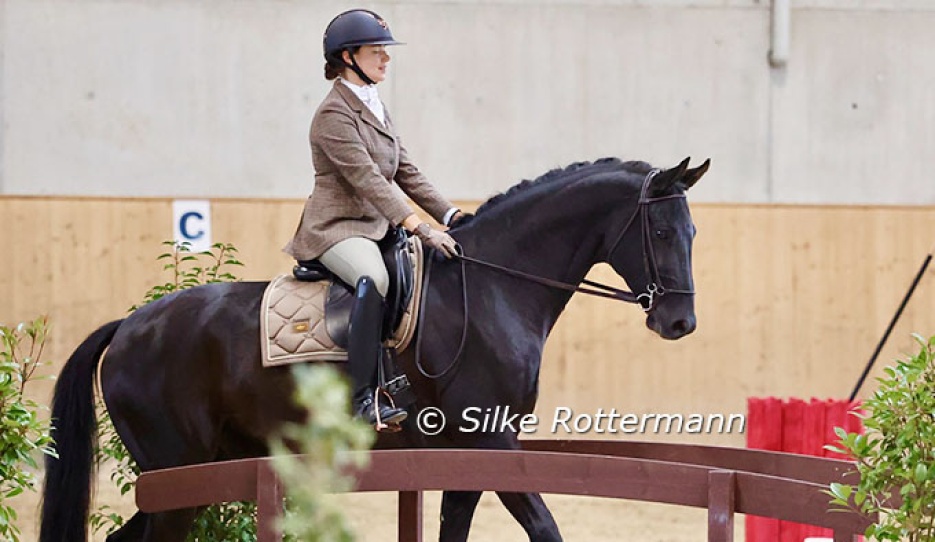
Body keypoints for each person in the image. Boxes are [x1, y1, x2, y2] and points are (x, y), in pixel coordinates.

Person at [283, 8, 464, 431]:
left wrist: (451, 213)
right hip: (337, 228)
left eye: (386, 51)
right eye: (377, 50)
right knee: (374, 279)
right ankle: (361, 399)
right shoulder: (333, 115)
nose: (386, 58)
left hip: (377, 225)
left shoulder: (374, 104)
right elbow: (368, 180)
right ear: (348, 57)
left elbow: (405, 170)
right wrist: (419, 225)